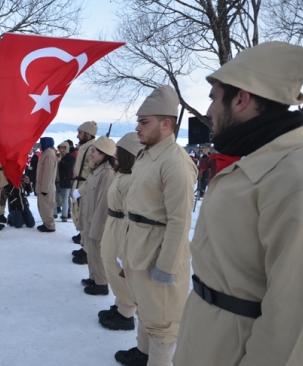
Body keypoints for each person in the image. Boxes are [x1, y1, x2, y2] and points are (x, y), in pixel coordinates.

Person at [174, 42, 303, 366]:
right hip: (208, 340)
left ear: (241, 98)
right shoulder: (260, 160)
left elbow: (296, 316)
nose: (208, 113)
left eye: (213, 99)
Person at [115, 85, 198, 366]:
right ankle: (143, 353)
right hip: (139, 246)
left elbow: (180, 219)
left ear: (166, 124)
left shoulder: (175, 162)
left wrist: (166, 266)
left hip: (158, 252)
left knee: (162, 322)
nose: (137, 128)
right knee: (146, 308)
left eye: (143, 122)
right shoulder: (147, 155)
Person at [97, 133, 143, 331]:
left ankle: (126, 312)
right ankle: (120, 305)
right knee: (109, 262)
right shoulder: (122, 174)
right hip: (113, 223)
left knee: (118, 270)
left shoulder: (133, 179)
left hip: (122, 226)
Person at [76, 136, 118, 297]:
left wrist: (97, 225)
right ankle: (94, 278)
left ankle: (101, 283)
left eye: (94, 151)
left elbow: (103, 203)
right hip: (89, 218)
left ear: (104, 153)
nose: (91, 154)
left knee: (97, 253)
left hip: (96, 220)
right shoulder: (97, 169)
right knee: (91, 251)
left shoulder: (107, 173)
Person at [71, 121, 98, 263]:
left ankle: (87, 250)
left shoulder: (92, 148)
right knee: (78, 215)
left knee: (85, 217)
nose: (77, 136)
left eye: (80, 133)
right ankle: (83, 244)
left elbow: (93, 173)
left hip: (84, 185)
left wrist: (81, 190)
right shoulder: (85, 147)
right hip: (79, 182)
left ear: (88, 134)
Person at [36, 137, 57, 232]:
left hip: (46, 188)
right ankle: (46, 223)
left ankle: (50, 225)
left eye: (40, 143)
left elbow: (48, 173)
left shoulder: (49, 154)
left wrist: (45, 189)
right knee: (43, 207)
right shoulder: (46, 153)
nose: (39, 145)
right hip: (43, 186)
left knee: (46, 207)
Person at [56, 141, 75, 222]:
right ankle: (54, 213)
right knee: (54, 198)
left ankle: (65, 215)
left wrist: (61, 161)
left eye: (64, 148)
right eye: (61, 148)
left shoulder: (71, 157)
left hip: (66, 181)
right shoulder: (56, 156)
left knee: (65, 199)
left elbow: (69, 166)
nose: (62, 149)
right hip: (56, 180)